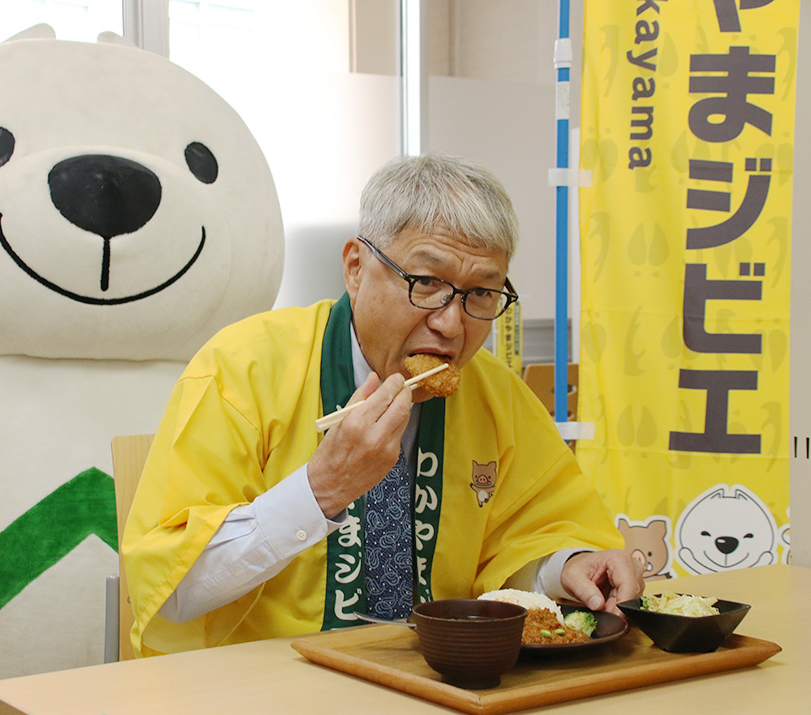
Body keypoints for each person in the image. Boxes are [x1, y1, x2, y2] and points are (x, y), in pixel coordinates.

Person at [122, 153, 644, 657]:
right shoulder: (242, 370)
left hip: (443, 676)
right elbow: (170, 593)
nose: (451, 324)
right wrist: (321, 489)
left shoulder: (497, 396)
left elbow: (523, 546)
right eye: (427, 283)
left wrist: (567, 566)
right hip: (267, 680)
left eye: (481, 294)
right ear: (355, 267)